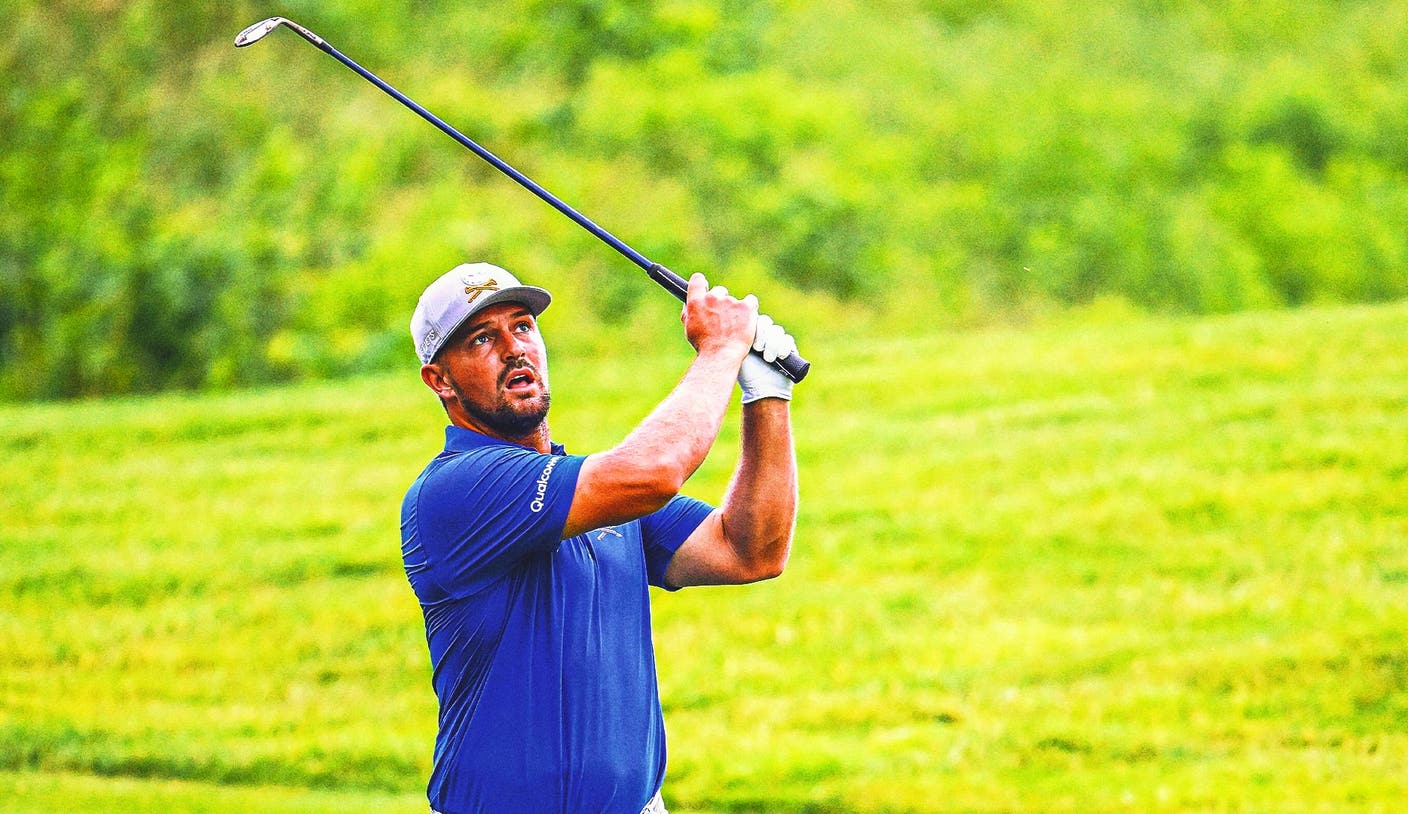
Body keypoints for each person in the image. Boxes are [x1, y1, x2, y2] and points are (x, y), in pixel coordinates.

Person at [400, 261, 799, 814]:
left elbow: (750, 550)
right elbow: (655, 471)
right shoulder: (455, 490)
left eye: (522, 326)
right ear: (439, 380)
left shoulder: (599, 495)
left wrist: (767, 395)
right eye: (482, 339)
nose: (514, 349)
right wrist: (721, 349)